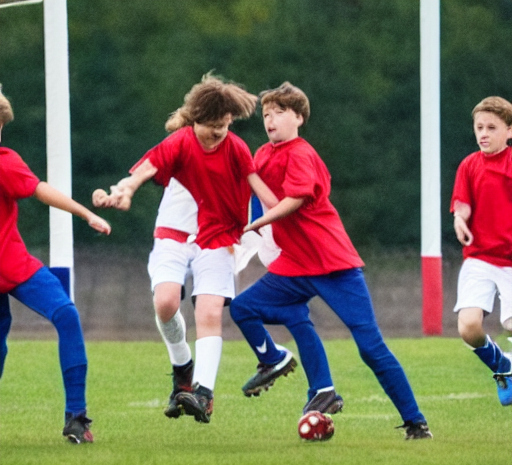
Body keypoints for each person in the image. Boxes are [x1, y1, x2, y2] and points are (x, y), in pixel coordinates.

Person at [229, 82, 432, 440]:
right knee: (244, 308)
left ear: (299, 117)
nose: (270, 119)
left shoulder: (302, 154)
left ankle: (415, 422)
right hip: (293, 266)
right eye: (266, 114)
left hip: (332, 265)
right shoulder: (262, 154)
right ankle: (281, 365)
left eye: (278, 112)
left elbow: (294, 199)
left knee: (370, 347)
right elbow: (254, 187)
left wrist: (262, 220)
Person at [93, 73, 276, 424]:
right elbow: (143, 171)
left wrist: (286, 214)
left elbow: (264, 193)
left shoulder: (235, 148)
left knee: (209, 313)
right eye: (211, 129)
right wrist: (124, 191)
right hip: (174, 234)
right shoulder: (179, 142)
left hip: (218, 238)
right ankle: (183, 371)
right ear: (195, 122)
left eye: (223, 128)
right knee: (165, 303)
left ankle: (203, 394)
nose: (216, 136)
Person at [0, 86, 112, 443]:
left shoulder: (4, 160)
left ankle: (76, 416)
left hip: (12, 261)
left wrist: (83, 213)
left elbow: (38, 188)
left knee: (66, 313)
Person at [450, 96, 512, 407]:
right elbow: (462, 203)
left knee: (510, 323)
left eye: (492, 127)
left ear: (509, 131)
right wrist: (460, 219)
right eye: (479, 128)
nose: (484, 133)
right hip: (479, 258)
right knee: (469, 326)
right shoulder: (469, 165)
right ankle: (503, 366)